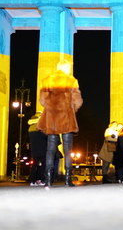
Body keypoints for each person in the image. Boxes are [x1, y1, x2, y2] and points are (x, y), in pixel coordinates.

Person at [37, 60, 83, 188]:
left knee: (50, 149)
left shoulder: (47, 80)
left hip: (52, 117)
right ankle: (68, 180)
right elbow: (77, 100)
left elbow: (42, 100)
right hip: (67, 116)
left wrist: (51, 107)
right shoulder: (71, 81)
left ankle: (48, 180)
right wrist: (71, 109)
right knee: (68, 149)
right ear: (66, 68)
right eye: (69, 68)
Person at [28, 112, 47, 186]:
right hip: (42, 149)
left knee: (34, 165)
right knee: (43, 165)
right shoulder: (41, 127)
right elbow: (46, 137)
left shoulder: (30, 128)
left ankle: (32, 181)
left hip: (34, 150)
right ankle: (42, 180)